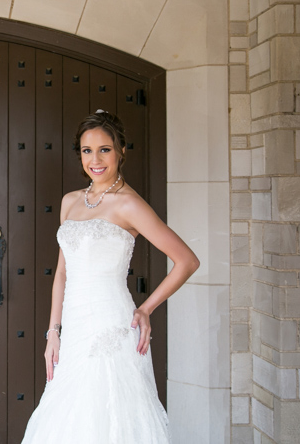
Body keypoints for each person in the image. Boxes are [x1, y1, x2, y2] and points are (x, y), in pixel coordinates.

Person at [20, 109, 200, 443]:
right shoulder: (70, 202)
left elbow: (187, 261)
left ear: (120, 151)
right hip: (74, 331)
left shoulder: (129, 205)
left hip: (111, 327)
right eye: (87, 151)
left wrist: (146, 308)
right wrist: (53, 333)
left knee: (109, 419)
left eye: (104, 149)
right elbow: (62, 272)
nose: (96, 159)